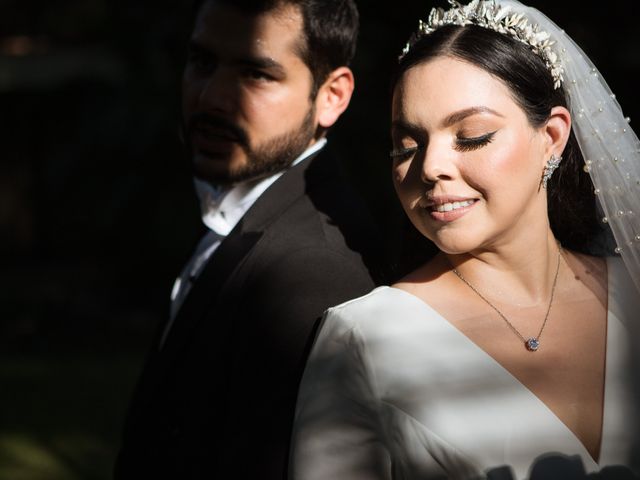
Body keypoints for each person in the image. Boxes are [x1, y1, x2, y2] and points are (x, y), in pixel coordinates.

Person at [290, 0, 640, 478]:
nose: (431, 167)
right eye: (407, 145)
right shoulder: (363, 338)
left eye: (472, 136)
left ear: (552, 137)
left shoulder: (633, 291)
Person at [114, 0, 384, 478]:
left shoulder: (311, 271)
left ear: (332, 96)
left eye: (257, 74)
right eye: (202, 62)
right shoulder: (247, 209)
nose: (213, 97)